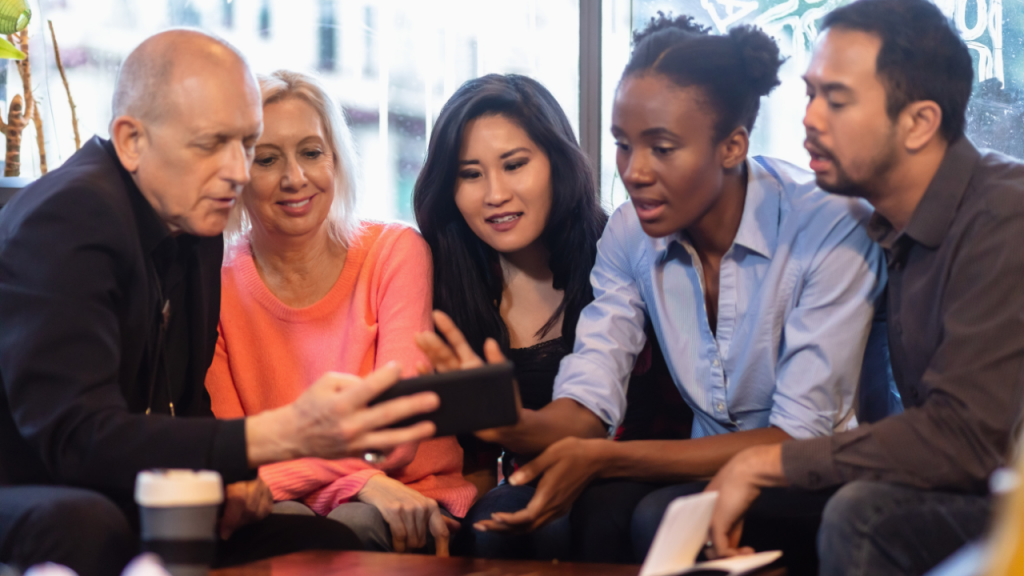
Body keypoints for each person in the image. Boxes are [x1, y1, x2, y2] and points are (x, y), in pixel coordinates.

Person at [417, 15, 894, 570]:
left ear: (732, 146)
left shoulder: (828, 225)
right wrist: (511, 423)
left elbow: (796, 436)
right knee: (571, 514)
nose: (635, 172)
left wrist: (601, 460)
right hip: (696, 468)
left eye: (661, 148)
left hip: (814, 475)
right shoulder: (628, 234)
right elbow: (590, 396)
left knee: (646, 515)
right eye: (624, 146)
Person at [0, 31, 439, 576]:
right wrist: (279, 435)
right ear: (131, 140)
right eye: (211, 144)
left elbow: (185, 408)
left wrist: (232, 480)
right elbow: (76, 438)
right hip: (33, 485)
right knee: (84, 523)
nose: (236, 171)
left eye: (245, 144)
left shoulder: (195, 224)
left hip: (118, 484)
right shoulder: (70, 217)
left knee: (312, 538)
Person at [705, 1, 1024, 575]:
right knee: (672, 511)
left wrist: (764, 461)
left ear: (920, 122)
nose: (810, 118)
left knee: (865, 515)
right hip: (980, 482)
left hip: (1002, 487)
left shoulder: (1005, 216)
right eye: (810, 93)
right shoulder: (882, 225)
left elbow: (967, 439)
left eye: (838, 100)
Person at [204, 69, 474, 556]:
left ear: (336, 160)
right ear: (239, 171)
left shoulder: (396, 252)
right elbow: (231, 458)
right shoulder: (212, 284)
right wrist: (360, 480)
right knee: (280, 527)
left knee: (343, 526)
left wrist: (325, 477)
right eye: (267, 159)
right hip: (297, 501)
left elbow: (394, 437)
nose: (295, 178)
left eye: (311, 153)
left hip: (409, 496)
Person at [411, 73, 609, 559]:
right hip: (517, 488)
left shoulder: (616, 256)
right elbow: (470, 458)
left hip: (626, 471)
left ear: (557, 163)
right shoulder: (440, 278)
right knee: (496, 527)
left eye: (515, 165)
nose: (494, 194)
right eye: (471, 174)